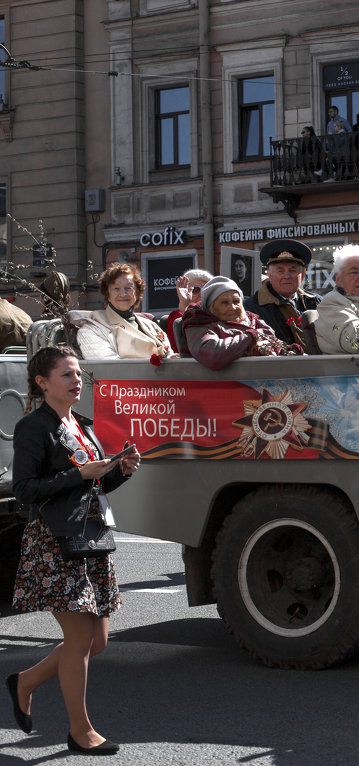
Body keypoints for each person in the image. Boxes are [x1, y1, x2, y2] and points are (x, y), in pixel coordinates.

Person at [8, 345, 141, 756]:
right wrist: (78, 473)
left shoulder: (82, 424)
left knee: (96, 640)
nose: (76, 380)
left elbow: (91, 486)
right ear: (42, 382)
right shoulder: (34, 426)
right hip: (54, 542)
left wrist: (118, 471)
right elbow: (23, 489)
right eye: (66, 374)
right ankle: (80, 731)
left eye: (78, 373)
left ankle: (25, 682)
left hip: (89, 538)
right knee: (80, 636)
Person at [180, 277, 300, 370]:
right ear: (212, 308)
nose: (232, 307)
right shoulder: (200, 323)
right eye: (224, 303)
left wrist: (289, 351)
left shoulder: (255, 321)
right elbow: (211, 354)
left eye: (236, 301)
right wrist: (249, 336)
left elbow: (273, 342)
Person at [76, 263, 173, 360]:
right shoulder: (92, 329)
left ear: (137, 292)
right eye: (116, 288)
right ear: (107, 294)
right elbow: (109, 368)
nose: (123, 294)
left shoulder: (152, 325)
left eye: (129, 288)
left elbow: (170, 356)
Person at [244, 238, 321, 352]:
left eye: (293, 270)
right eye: (280, 271)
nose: (287, 276)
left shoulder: (317, 301)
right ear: (269, 274)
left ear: (303, 274)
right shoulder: (251, 308)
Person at [164, 268, 212, 353]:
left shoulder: (220, 314)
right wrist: (185, 306)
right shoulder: (176, 316)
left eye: (205, 290)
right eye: (195, 290)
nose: (201, 294)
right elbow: (175, 348)